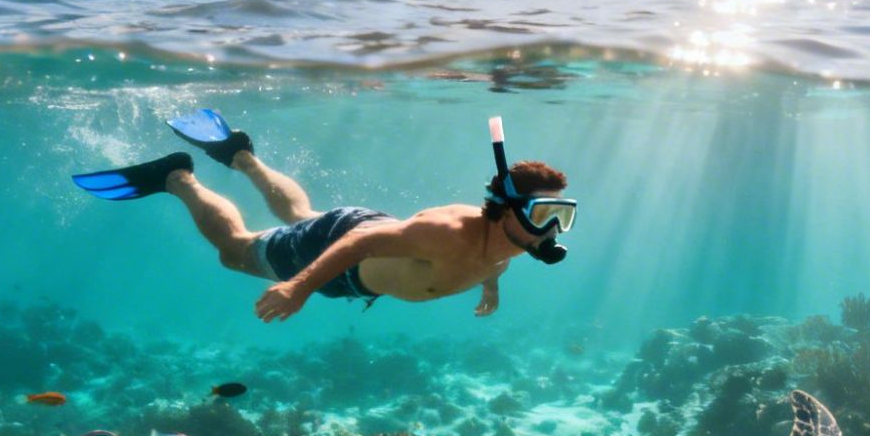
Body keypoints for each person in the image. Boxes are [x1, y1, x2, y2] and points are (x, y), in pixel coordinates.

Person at [73, 111, 574, 322]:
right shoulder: (447, 232)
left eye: (561, 216)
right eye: (542, 213)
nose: (551, 229)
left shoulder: (510, 245)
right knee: (236, 253)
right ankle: (177, 177)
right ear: (507, 208)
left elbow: (492, 263)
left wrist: (491, 287)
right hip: (345, 253)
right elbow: (361, 242)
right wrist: (299, 288)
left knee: (302, 214)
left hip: (358, 257)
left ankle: (241, 156)